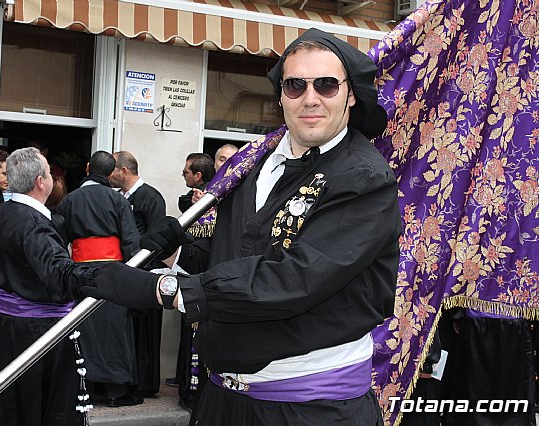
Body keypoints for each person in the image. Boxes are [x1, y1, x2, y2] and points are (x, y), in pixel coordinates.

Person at [82, 28, 400, 425]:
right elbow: (234, 256)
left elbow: (296, 277)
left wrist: (165, 291)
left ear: (351, 95)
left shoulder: (364, 177)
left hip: (309, 410)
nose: (310, 98)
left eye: (327, 85)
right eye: (295, 85)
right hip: (222, 399)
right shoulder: (250, 165)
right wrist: (178, 253)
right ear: (281, 94)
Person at [0, 147, 98, 425]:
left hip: (8, 325)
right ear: (40, 182)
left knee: (12, 404)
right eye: (48, 172)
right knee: (43, 406)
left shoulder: (1, 213)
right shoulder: (34, 223)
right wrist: (102, 277)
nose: (50, 177)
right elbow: (59, 276)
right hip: (40, 331)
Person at [55, 151, 144, 407]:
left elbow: (60, 241)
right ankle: (116, 392)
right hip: (114, 272)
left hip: (80, 272)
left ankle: (88, 385)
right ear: (110, 173)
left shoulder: (70, 200)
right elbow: (130, 240)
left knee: (85, 329)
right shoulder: (117, 201)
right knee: (115, 331)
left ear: (86, 168)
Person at [110, 150, 167, 398]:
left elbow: (157, 237)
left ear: (123, 171)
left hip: (147, 273)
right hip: (127, 273)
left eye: (111, 169)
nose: (108, 175)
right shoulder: (118, 197)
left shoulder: (151, 197)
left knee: (146, 331)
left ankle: (145, 382)